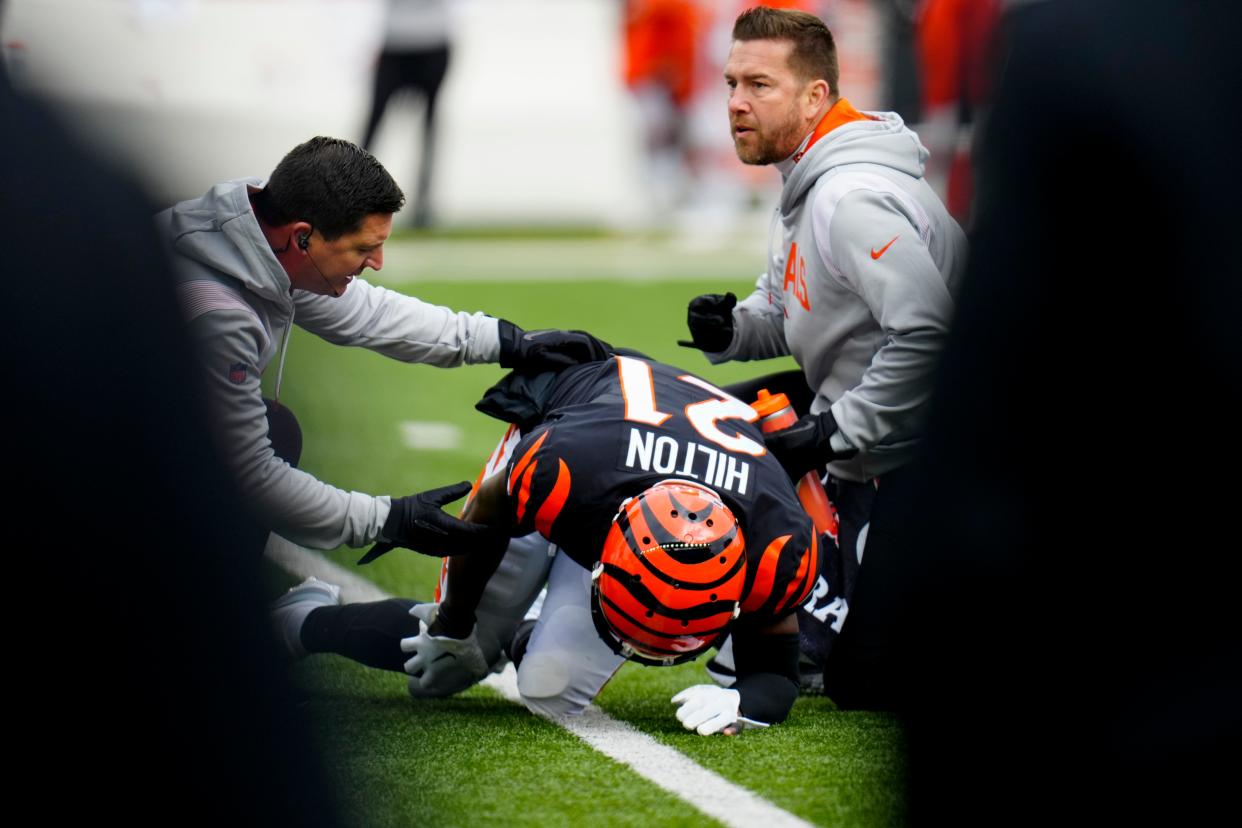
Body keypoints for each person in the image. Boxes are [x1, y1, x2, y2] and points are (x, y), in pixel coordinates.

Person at [275, 353, 838, 735]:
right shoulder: (559, 470)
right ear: (604, 564)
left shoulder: (777, 540)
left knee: (550, 689)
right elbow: (487, 511)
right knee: (451, 664)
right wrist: (455, 622)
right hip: (580, 450)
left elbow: (775, 675)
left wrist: (746, 701)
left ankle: (531, 626)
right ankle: (302, 621)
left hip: (634, 474)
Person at [679, 6, 967, 696]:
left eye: (759, 85)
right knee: (699, 427)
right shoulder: (811, 176)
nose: (736, 104)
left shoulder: (849, 194)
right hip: (870, 447)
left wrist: (835, 431)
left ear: (815, 96)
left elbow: (930, 333)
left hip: (923, 460)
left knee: (869, 685)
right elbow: (794, 313)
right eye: (730, 83)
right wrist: (733, 331)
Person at [157, 136, 604, 559]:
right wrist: (389, 520)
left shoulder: (256, 238)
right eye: (364, 249)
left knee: (274, 429)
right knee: (272, 436)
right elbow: (252, 477)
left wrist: (508, 342)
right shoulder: (220, 316)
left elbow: (370, 314)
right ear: (303, 237)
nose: (377, 264)